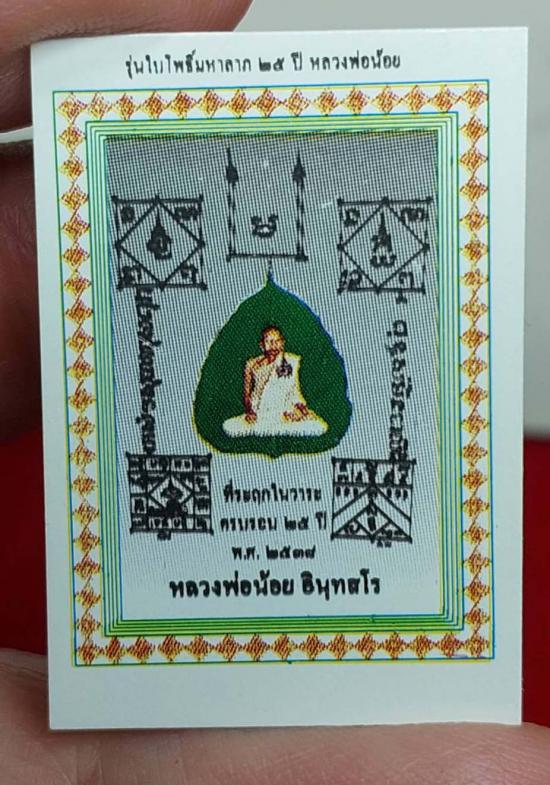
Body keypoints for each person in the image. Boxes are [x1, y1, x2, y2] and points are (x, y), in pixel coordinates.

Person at [0, 1, 549, 782]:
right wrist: (258, 394)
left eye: (271, 346)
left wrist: (285, 399)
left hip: (287, 418)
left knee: (298, 416)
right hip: (256, 421)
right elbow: (248, 403)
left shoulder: (287, 362)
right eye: (264, 346)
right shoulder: (257, 366)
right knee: (240, 418)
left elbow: (297, 407)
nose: (268, 350)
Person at [223, 326, 327, 437]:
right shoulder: (252, 364)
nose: (273, 345)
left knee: (317, 426)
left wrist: (301, 408)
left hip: (283, 409)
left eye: (277, 341)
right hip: (259, 409)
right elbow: (247, 394)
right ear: (262, 345)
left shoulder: (290, 361)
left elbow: (294, 392)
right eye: (269, 341)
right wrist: (250, 412)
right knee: (230, 426)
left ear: (282, 343)